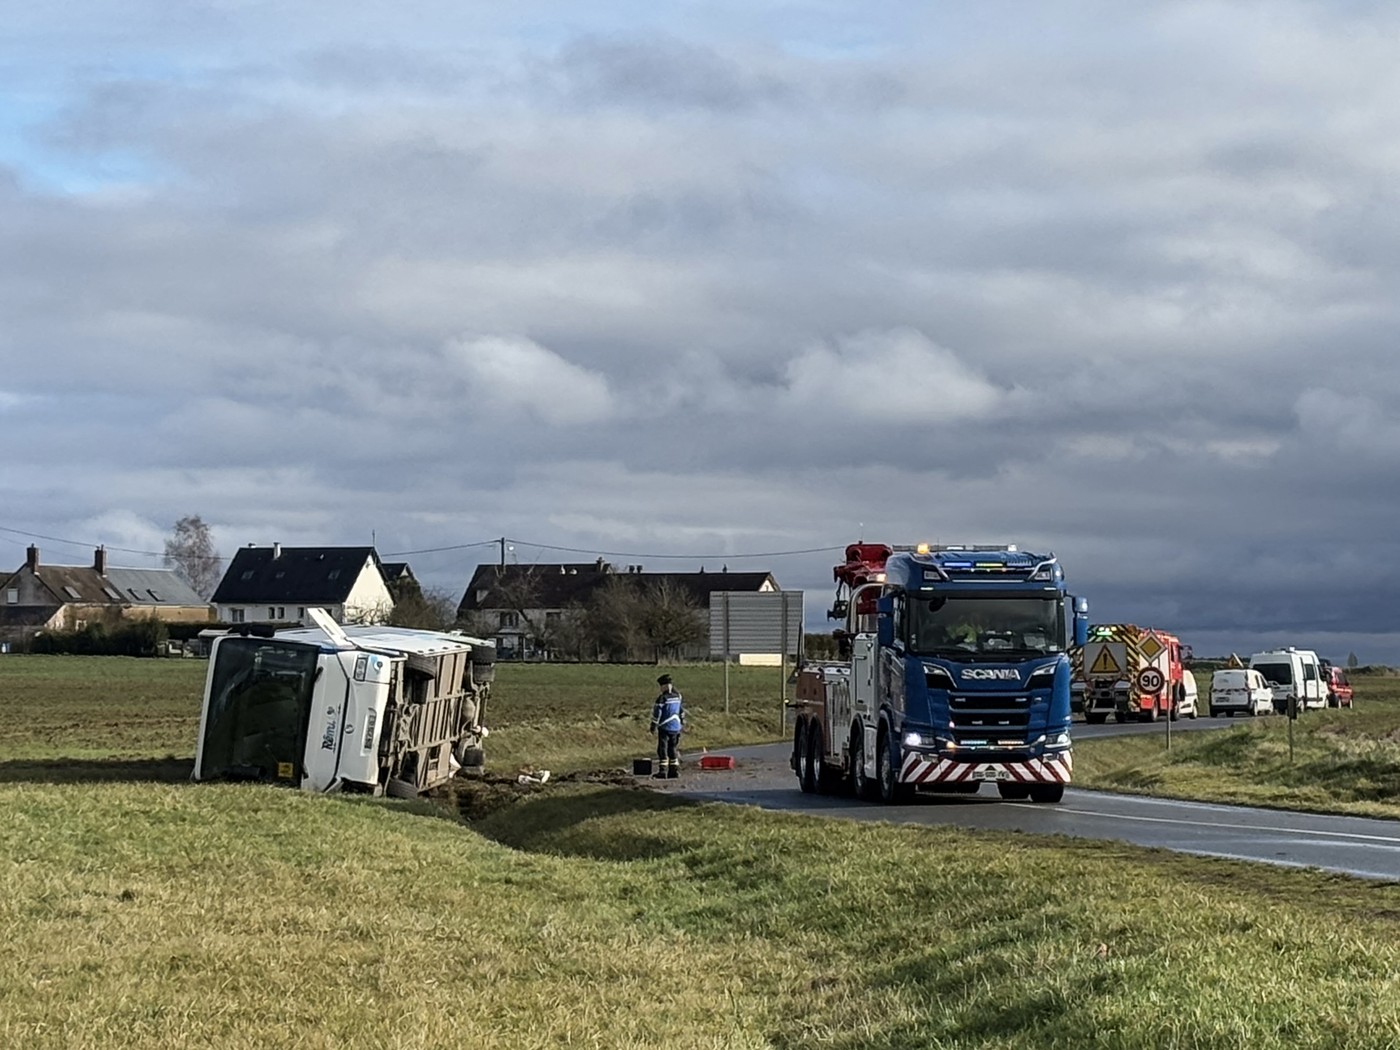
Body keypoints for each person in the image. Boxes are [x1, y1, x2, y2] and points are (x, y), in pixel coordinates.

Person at [649, 673, 686, 779]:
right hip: (676, 728)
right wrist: (682, 722)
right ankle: (674, 771)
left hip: (665, 727)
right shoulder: (677, 696)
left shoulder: (662, 698)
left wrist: (653, 725)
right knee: (673, 748)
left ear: (664, 686)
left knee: (662, 749)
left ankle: (663, 771)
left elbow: (657, 713)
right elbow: (681, 711)